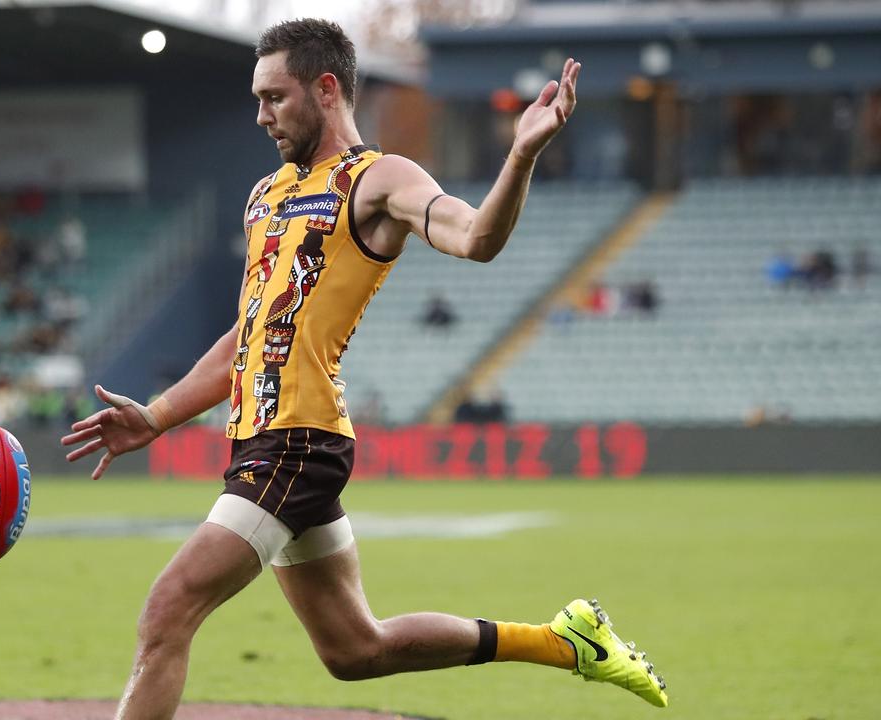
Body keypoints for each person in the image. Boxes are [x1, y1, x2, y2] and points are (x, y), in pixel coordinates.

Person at [61, 19, 666, 718]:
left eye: (274, 97)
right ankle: (566, 643)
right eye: (256, 100)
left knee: (169, 608)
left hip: (299, 440)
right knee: (355, 651)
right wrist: (159, 416)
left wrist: (521, 154)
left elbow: (475, 238)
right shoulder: (266, 196)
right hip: (263, 440)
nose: (260, 116)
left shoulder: (379, 179)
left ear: (326, 89)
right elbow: (244, 338)